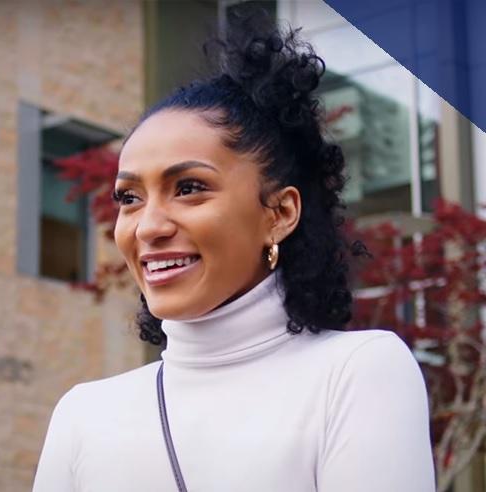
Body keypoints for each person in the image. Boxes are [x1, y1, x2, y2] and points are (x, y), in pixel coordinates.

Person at [31, 15, 435, 492]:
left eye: (190, 188)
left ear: (280, 212)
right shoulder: (83, 415)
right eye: (129, 198)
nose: (150, 226)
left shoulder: (357, 373)